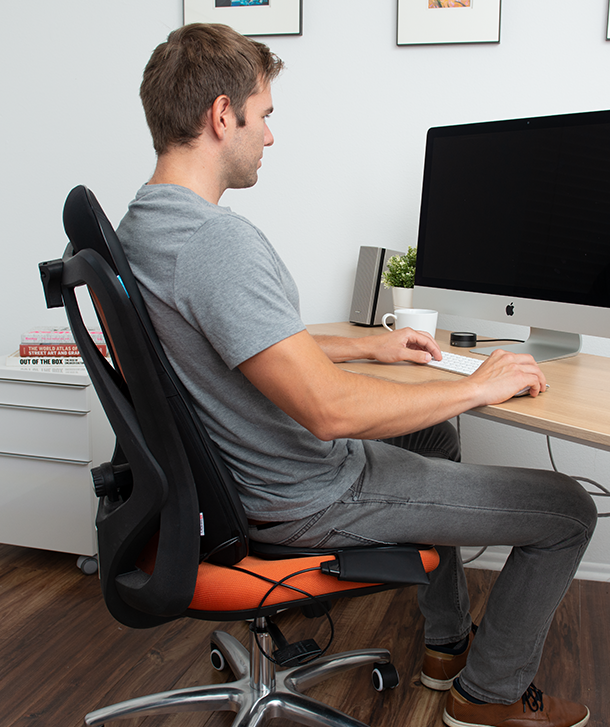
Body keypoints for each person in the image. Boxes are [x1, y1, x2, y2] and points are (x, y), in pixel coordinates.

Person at [117, 23, 596, 727]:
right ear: (223, 115)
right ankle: (488, 697)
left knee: (433, 432)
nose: (270, 135)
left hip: (240, 480)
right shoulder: (215, 242)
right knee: (568, 510)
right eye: (265, 113)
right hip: (307, 490)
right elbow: (329, 413)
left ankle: (444, 643)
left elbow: (232, 347)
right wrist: (477, 383)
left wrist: (367, 349)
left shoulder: (142, 227)